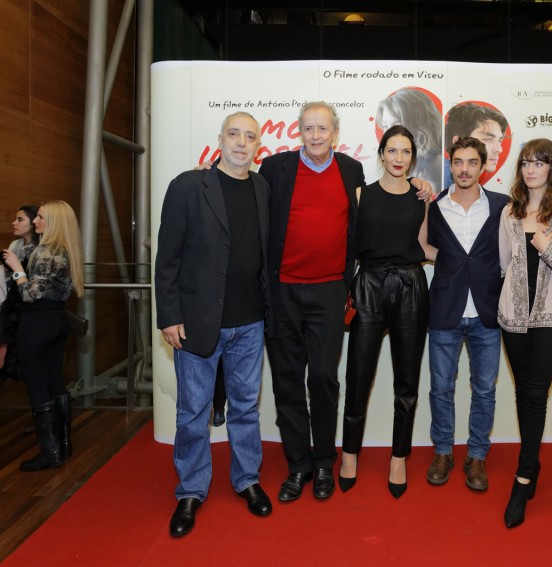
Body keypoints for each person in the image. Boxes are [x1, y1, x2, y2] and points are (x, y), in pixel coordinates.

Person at [258, 101, 432, 504]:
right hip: (283, 292)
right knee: (287, 381)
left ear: (335, 133)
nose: (316, 135)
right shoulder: (275, 169)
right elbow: (245, 191)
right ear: (299, 131)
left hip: (329, 293)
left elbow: (386, 218)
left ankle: (324, 461)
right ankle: (298, 465)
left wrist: (421, 186)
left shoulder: (350, 172)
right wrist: (211, 171)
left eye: (323, 128)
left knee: (323, 379)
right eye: (309, 128)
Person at [155, 111, 273, 538]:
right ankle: (191, 489)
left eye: (250, 136)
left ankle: (247, 479)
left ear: (258, 145)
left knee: (245, 407)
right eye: (234, 134)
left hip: (250, 322)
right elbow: (167, 257)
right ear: (220, 139)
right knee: (193, 412)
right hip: (197, 323)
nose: (241, 142)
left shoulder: (262, 188)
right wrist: (169, 316)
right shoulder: (188, 186)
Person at [339, 125, 435, 499]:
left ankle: (399, 457)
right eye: (392, 150)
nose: (398, 158)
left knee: (407, 382)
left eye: (405, 152)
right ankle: (349, 454)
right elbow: (348, 247)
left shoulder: (421, 196)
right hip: (369, 285)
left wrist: (468, 261)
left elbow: (424, 246)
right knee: (358, 376)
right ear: (381, 154)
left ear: (413, 157)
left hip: (411, 286)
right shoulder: (361, 194)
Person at [498, 139, 552, 528]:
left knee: (536, 393)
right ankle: (532, 463)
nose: (531, 169)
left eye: (539, 162)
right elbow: (504, 264)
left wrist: (545, 246)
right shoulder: (509, 212)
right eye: (525, 163)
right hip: (513, 316)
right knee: (523, 391)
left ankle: (522, 479)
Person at [425, 137, 509, 492]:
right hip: (445, 310)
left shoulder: (502, 205)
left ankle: (477, 455)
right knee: (441, 388)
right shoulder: (435, 206)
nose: (464, 169)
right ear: (451, 165)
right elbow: (424, 246)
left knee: (485, 390)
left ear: (483, 166)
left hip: (487, 312)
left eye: (472, 162)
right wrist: (450, 263)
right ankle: (443, 452)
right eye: (458, 162)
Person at [2, 201, 84, 473]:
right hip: (58, 321)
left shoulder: (43, 252)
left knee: (38, 386)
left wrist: (17, 268)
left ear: (53, 222)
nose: (35, 221)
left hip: (36, 325)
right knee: (56, 383)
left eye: (40, 217)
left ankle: (50, 453)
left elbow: (29, 295)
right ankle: (63, 444)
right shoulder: (67, 249)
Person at [0, 205, 41, 380]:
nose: (14, 223)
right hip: (11, 301)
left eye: (20, 219)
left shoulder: (40, 250)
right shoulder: (15, 245)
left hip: (29, 305)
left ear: (33, 223)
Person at [376, 88, 443, 191]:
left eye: (396, 125)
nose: (389, 133)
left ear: (419, 125)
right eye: (385, 126)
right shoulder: (392, 163)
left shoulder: (435, 165)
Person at [443, 102, 509, 184]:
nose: (499, 149)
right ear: (457, 141)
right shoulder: (441, 179)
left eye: (500, 140)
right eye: (488, 139)